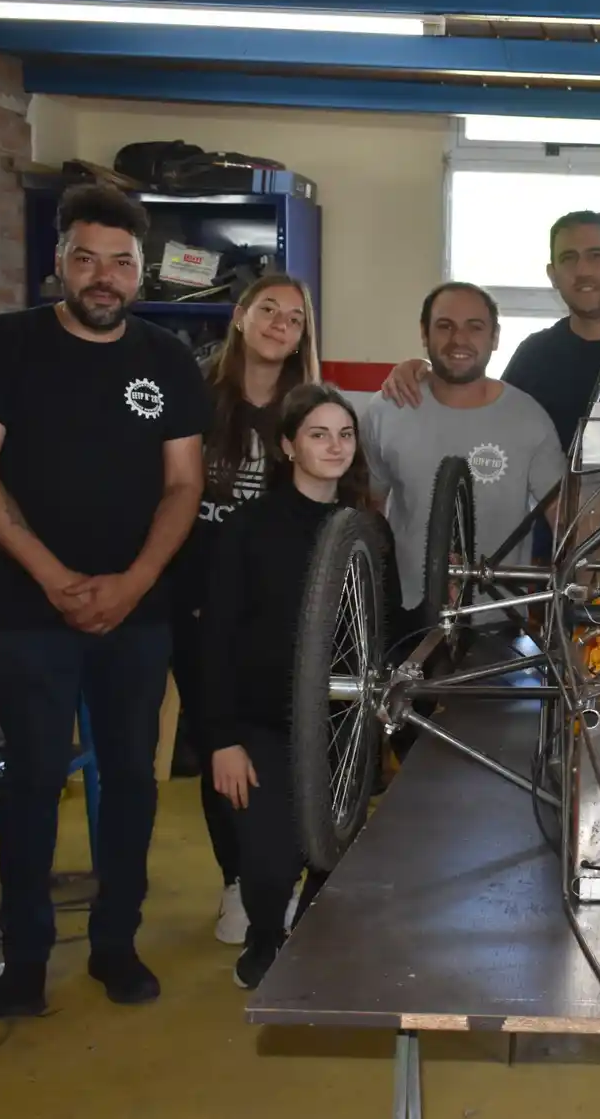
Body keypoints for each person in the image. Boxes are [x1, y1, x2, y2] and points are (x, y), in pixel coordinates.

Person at [0, 184, 209, 1017]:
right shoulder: (4, 345)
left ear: (142, 271)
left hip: (138, 613)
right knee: (30, 780)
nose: (104, 277)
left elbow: (183, 485)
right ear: (59, 259)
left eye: (122, 262)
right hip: (26, 613)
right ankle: (23, 958)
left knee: (131, 777)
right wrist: (53, 577)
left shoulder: (168, 358)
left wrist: (130, 584)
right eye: (87, 258)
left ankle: (113, 943)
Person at [201, 383, 377, 989]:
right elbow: (216, 637)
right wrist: (221, 739)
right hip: (263, 722)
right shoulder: (250, 527)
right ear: (288, 445)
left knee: (336, 845)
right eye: (318, 434)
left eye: (345, 435)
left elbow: (389, 633)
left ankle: (308, 929)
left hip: (339, 724)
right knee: (272, 859)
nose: (334, 446)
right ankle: (264, 933)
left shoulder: (364, 530)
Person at [169, 273, 321, 947]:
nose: (280, 323)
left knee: (281, 740)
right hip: (197, 604)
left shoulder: (309, 407)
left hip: (278, 613)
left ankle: (279, 872)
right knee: (217, 740)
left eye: (294, 316)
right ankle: (236, 876)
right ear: (239, 316)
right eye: (268, 309)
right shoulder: (193, 395)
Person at [378, 211, 600, 449]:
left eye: (596, 256)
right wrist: (421, 373)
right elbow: (481, 413)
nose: (582, 271)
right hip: (559, 533)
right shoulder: (535, 356)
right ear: (552, 274)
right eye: (569, 258)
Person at [360, 281, 565, 640]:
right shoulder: (388, 409)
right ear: (424, 334)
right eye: (444, 326)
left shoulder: (528, 418)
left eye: (475, 326)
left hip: (497, 624)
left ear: (495, 337)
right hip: (402, 619)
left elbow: (565, 519)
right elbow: (365, 508)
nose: (459, 339)